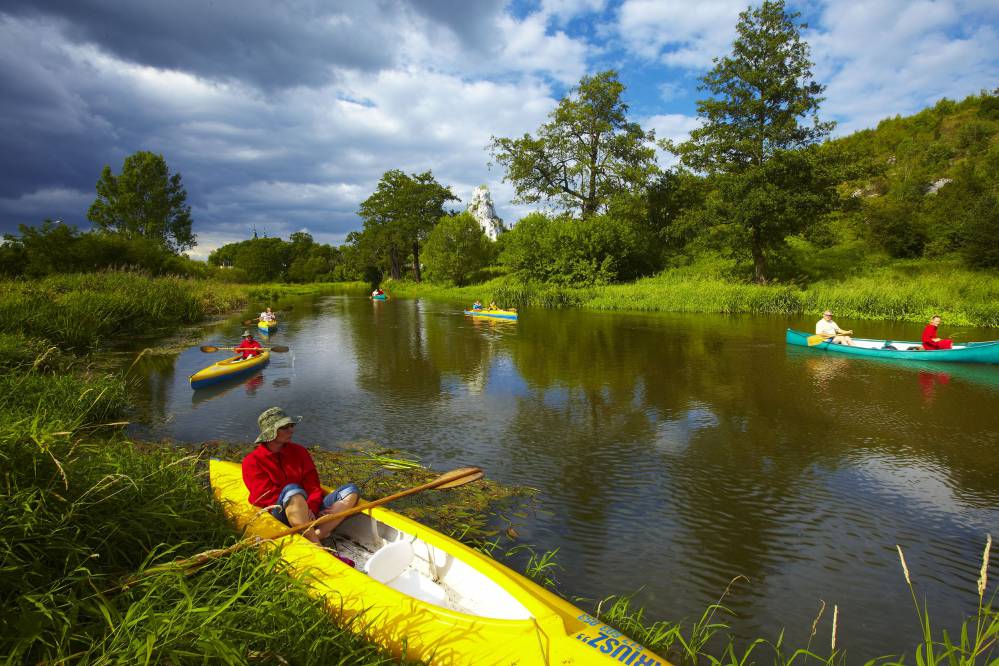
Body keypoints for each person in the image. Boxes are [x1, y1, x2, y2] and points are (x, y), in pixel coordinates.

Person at [242, 407, 360, 544]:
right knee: (293, 490)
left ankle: (319, 533)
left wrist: (310, 507)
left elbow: (313, 484)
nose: (291, 430)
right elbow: (265, 498)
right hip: (281, 514)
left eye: (291, 426)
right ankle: (317, 544)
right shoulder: (252, 462)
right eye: (285, 427)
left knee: (351, 491)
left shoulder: (300, 452)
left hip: (308, 509)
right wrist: (300, 507)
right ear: (271, 433)